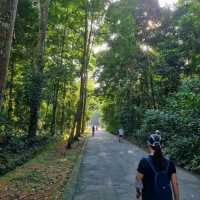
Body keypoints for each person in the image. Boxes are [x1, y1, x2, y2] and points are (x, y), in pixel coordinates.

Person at [135, 132, 180, 200]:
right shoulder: (170, 163)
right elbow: (175, 184)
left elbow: (138, 180)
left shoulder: (144, 161)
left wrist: (138, 192)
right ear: (161, 145)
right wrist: (177, 199)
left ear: (148, 144)